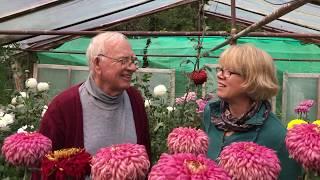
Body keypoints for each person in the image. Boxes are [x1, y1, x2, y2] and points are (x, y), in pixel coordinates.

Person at [39, 32, 151, 157]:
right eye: (123, 61)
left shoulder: (134, 100)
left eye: (133, 60)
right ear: (97, 64)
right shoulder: (63, 107)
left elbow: (146, 158)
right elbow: (44, 167)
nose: (132, 68)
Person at [202, 44, 302, 179]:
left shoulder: (277, 136)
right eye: (220, 69)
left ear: (252, 79)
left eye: (229, 72)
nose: (219, 75)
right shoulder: (211, 113)